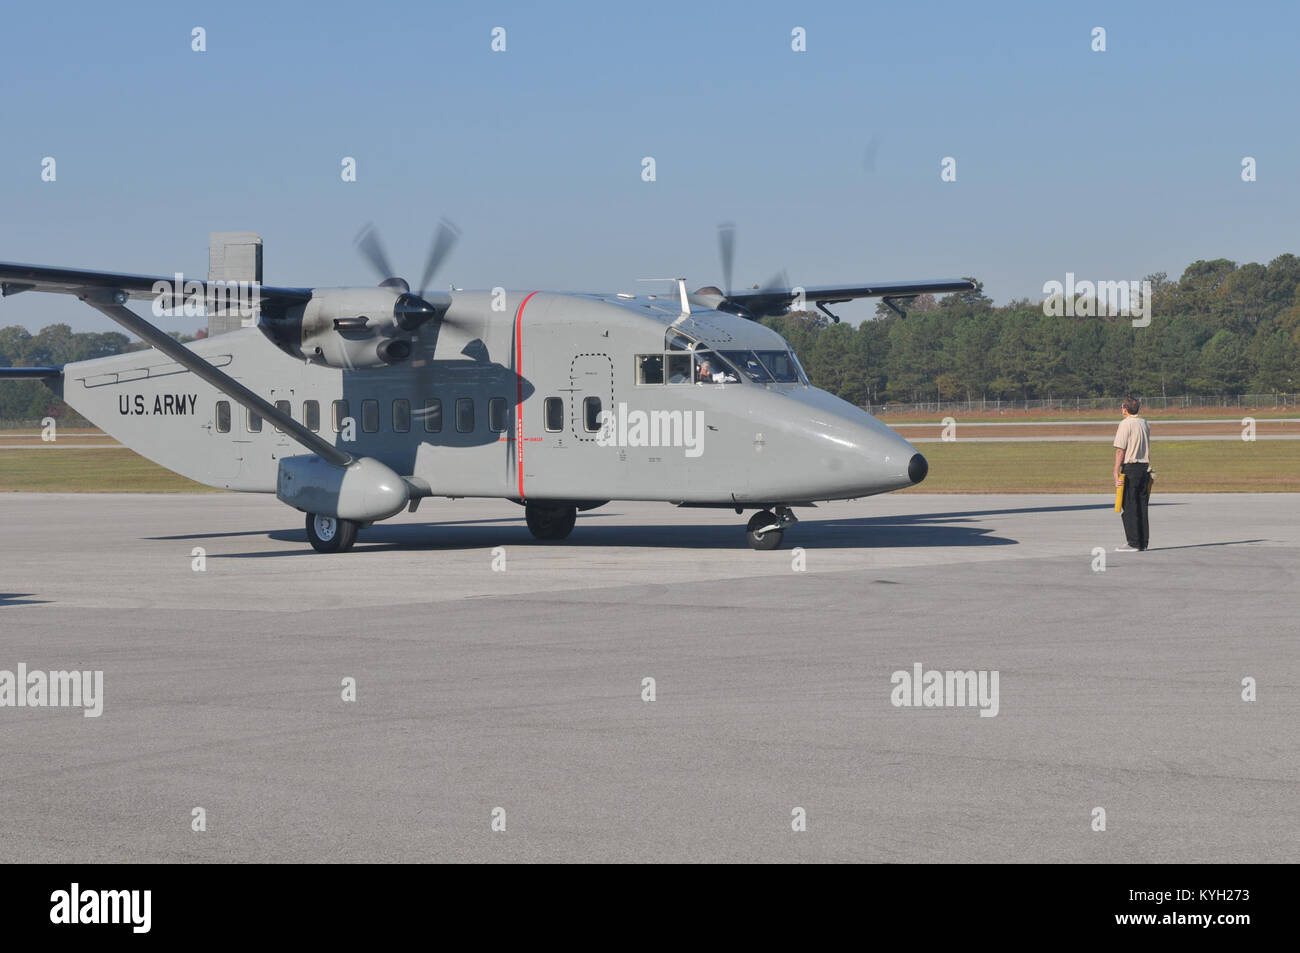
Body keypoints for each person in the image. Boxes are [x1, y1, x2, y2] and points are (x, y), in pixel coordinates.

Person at [1112, 396, 1152, 551]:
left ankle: (1133, 542)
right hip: (1144, 468)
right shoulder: (1144, 423)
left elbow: (1120, 450)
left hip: (1131, 468)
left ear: (1124, 408)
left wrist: (1116, 472)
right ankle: (1143, 541)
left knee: (1129, 505)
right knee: (1142, 506)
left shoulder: (1125, 424)